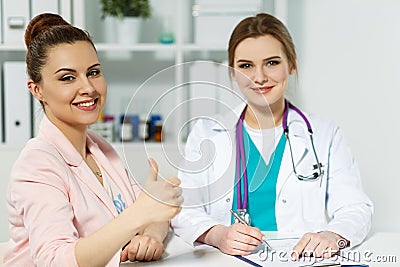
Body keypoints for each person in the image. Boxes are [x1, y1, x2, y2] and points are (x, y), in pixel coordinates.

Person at [171, 13, 373, 259]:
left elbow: (355, 207)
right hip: (224, 260)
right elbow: (185, 207)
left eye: (272, 63)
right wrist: (217, 235)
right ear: (233, 72)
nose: (259, 77)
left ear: (292, 64)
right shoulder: (207, 132)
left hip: (301, 259)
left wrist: (332, 236)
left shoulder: (324, 134)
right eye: (246, 66)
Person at [4, 13, 183, 267]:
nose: (88, 87)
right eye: (68, 77)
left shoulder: (100, 149)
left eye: (93, 72)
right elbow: (56, 260)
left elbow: (153, 214)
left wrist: (151, 236)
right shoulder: (36, 164)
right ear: (37, 90)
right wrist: (139, 215)